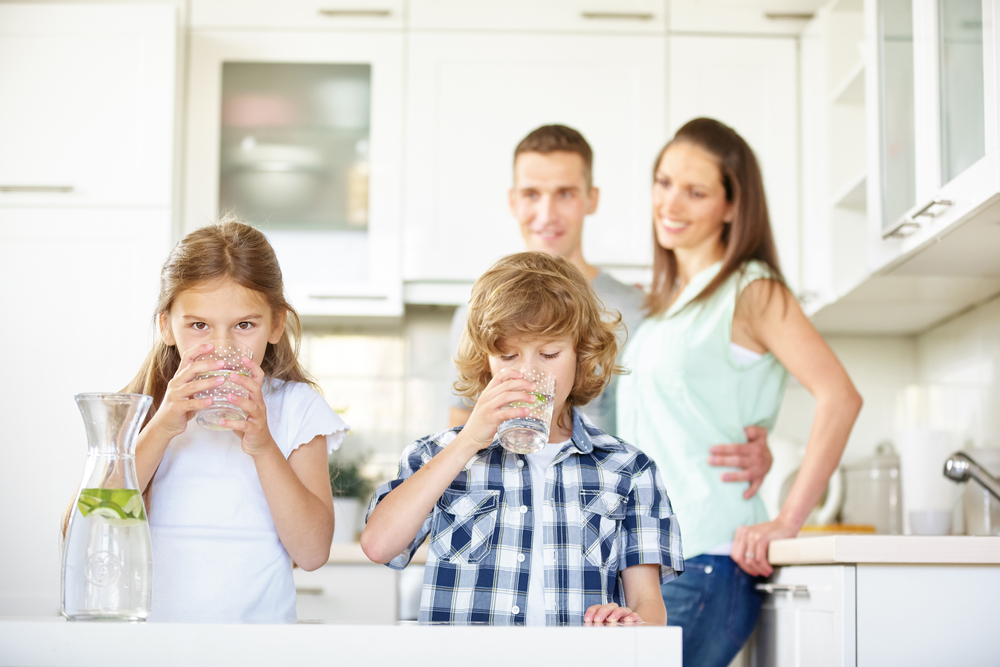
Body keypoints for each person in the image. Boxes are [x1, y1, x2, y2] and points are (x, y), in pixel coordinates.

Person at [616, 118, 863, 666]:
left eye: (695, 191)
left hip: (706, 561)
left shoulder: (752, 289)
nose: (670, 203)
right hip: (656, 561)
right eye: (663, 182)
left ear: (732, 206)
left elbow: (840, 396)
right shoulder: (672, 304)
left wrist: (787, 520)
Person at [447, 124, 774, 501]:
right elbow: (459, 441)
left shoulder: (643, 310)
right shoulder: (477, 313)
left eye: (565, 193)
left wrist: (753, 448)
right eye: (531, 194)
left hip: (611, 523)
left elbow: (685, 414)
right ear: (512, 200)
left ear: (592, 199)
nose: (546, 213)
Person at [362, 252, 684, 625]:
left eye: (549, 353)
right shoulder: (438, 456)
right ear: (486, 361)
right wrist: (467, 441)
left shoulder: (629, 470)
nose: (528, 373)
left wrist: (630, 622)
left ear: (581, 353)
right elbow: (378, 546)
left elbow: (649, 605)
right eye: (509, 355)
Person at [126, 220, 349, 623]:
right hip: (154, 646)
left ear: (277, 323)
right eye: (198, 326)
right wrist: (161, 427)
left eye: (244, 325)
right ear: (166, 326)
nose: (222, 347)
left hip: (260, 649)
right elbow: (88, 523)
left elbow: (313, 553)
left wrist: (263, 445)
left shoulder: (296, 409)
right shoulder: (142, 409)